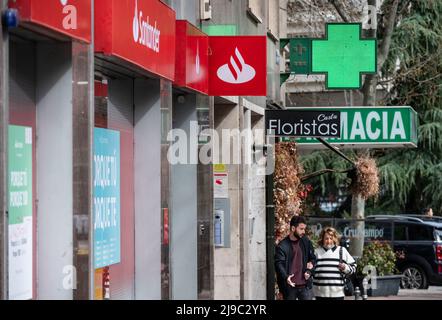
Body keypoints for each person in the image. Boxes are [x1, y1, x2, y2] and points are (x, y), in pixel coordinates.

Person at [275, 216, 316, 300]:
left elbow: (313, 259)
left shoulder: (306, 242)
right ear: (293, 228)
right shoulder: (282, 246)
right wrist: (286, 277)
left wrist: (309, 270)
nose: (303, 232)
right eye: (301, 229)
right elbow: (279, 264)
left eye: (304, 229)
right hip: (289, 287)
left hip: (305, 287)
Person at [312, 227, 356, 300]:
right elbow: (311, 269)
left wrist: (345, 268)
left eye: (331, 238)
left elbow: (354, 267)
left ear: (335, 239)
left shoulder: (342, 251)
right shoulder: (316, 252)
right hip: (320, 294)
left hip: (337, 294)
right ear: (322, 239)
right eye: (326, 238)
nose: (329, 241)